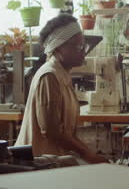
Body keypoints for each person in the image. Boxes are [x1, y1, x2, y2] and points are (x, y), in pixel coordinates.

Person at [15, 14, 107, 164]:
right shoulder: (49, 76)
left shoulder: (62, 75)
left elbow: (68, 133)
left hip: (51, 160)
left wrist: (89, 154)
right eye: (78, 46)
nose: (83, 51)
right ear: (58, 47)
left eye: (84, 45)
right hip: (36, 164)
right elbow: (52, 132)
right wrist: (87, 155)